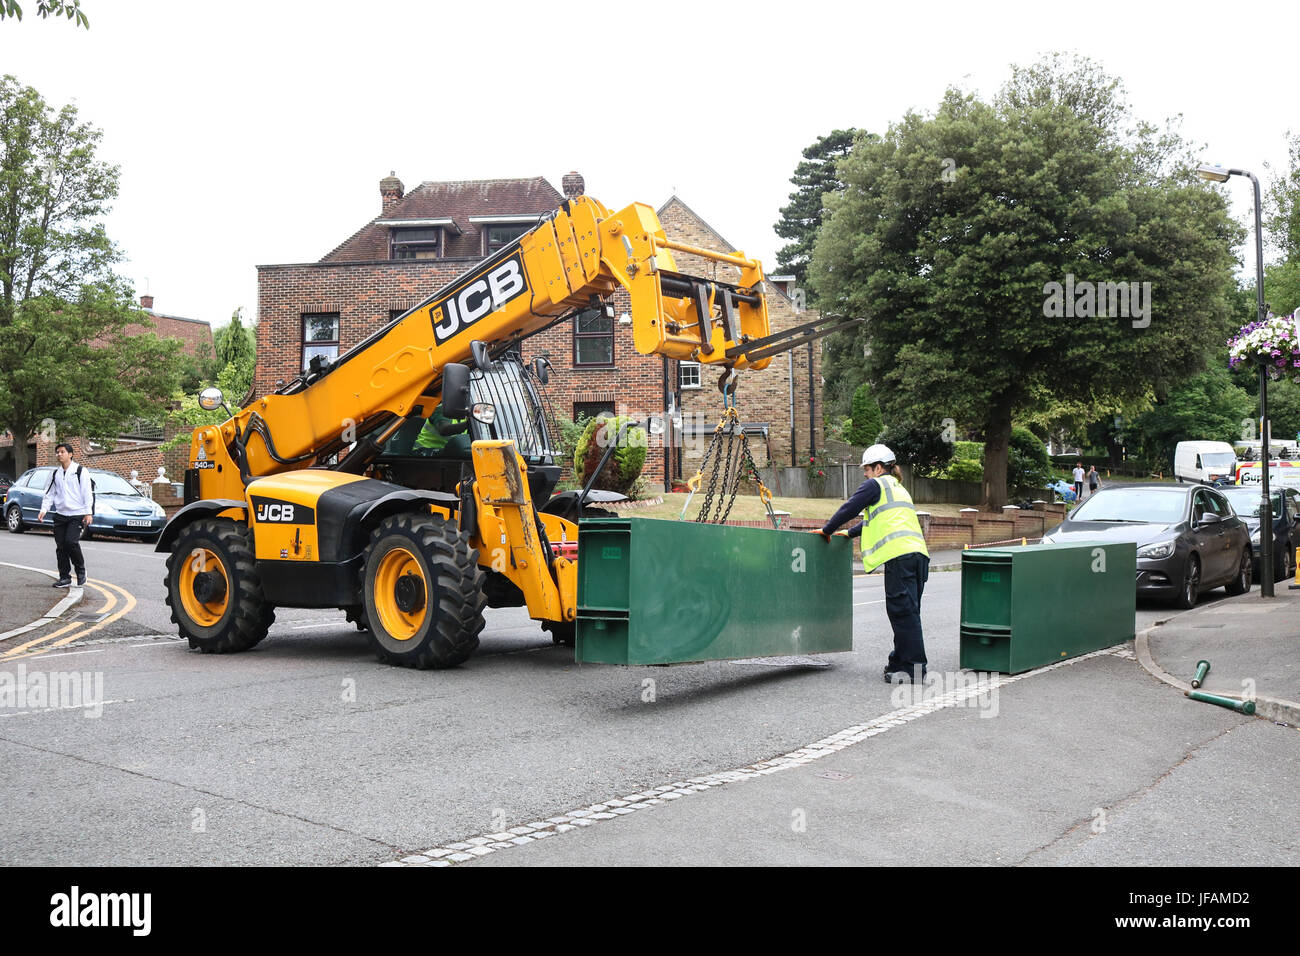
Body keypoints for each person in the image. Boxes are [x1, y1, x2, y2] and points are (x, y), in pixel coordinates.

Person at [816, 444, 930, 683]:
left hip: (900, 557)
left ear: (878, 468)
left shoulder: (875, 484)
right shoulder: (898, 488)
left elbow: (850, 508)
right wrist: (849, 534)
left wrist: (828, 530)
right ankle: (899, 662)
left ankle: (913, 670)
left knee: (903, 614)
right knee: (908, 614)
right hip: (918, 556)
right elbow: (874, 520)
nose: (865, 475)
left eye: (866, 469)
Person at [37, 442, 93, 588]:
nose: (59, 454)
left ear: (70, 454)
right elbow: (49, 494)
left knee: (71, 542)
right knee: (61, 546)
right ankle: (64, 577)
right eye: (57, 452)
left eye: (62, 452)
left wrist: (88, 513)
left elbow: (87, 493)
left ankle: (80, 571)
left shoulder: (80, 471)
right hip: (60, 514)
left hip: (77, 514)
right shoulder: (55, 473)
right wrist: (44, 510)